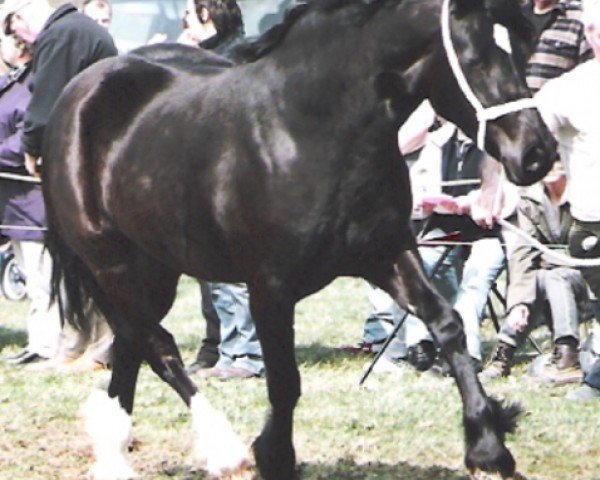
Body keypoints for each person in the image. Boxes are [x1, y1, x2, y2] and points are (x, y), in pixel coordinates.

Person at [174, 0, 264, 380]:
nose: (186, 26)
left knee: (233, 274)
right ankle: (217, 347)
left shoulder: (230, 60)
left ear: (206, 15)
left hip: (230, 180)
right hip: (203, 176)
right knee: (209, 273)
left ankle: (244, 355)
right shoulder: (216, 56)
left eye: (188, 18)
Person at [534, 0, 600, 400]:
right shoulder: (568, 89)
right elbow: (522, 137)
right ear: (589, 34)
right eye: (595, 28)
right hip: (593, 221)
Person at [482, 160, 590, 384]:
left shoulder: (587, 195)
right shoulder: (530, 200)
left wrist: (550, 259)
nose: (550, 166)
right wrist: (518, 304)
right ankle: (505, 350)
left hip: (590, 279)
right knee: (540, 276)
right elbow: (523, 252)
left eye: (557, 159)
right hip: (552, 277)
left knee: (553, 275)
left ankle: (568, 355)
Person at [1, 0, 117, 176]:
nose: (20, 40)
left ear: (20, 17)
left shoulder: (60, 35)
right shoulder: (74, 27)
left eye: (15, 32)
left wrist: (31, 149)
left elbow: (45, 102)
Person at [0, 32, 60, 365]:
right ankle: (38, 342)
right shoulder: (10, 86)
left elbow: (25, 138)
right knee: (30, 274)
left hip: (31, 202)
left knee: (42, 278)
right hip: (12, 205)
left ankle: (47, 345)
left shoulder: (27, 89)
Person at [522, 0, 592, 94]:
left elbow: (591, 76)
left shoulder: (582, 17)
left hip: (560, 106)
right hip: (517, 106)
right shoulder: (516, 17)